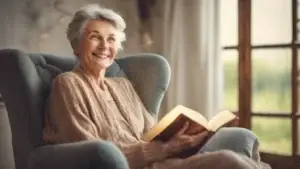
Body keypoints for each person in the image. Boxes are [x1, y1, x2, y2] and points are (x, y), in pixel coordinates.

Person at [42, 4, 271, 169]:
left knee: (242, 139)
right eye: (95, 37)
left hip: (165, 160)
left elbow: (152, 132)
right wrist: (166, 149)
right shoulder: (67, 84)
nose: (104, 46)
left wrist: (188, 138)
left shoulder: (123, 86)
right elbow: (91, 151)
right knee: (228, 162)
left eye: (111, 39)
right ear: (76, 46)